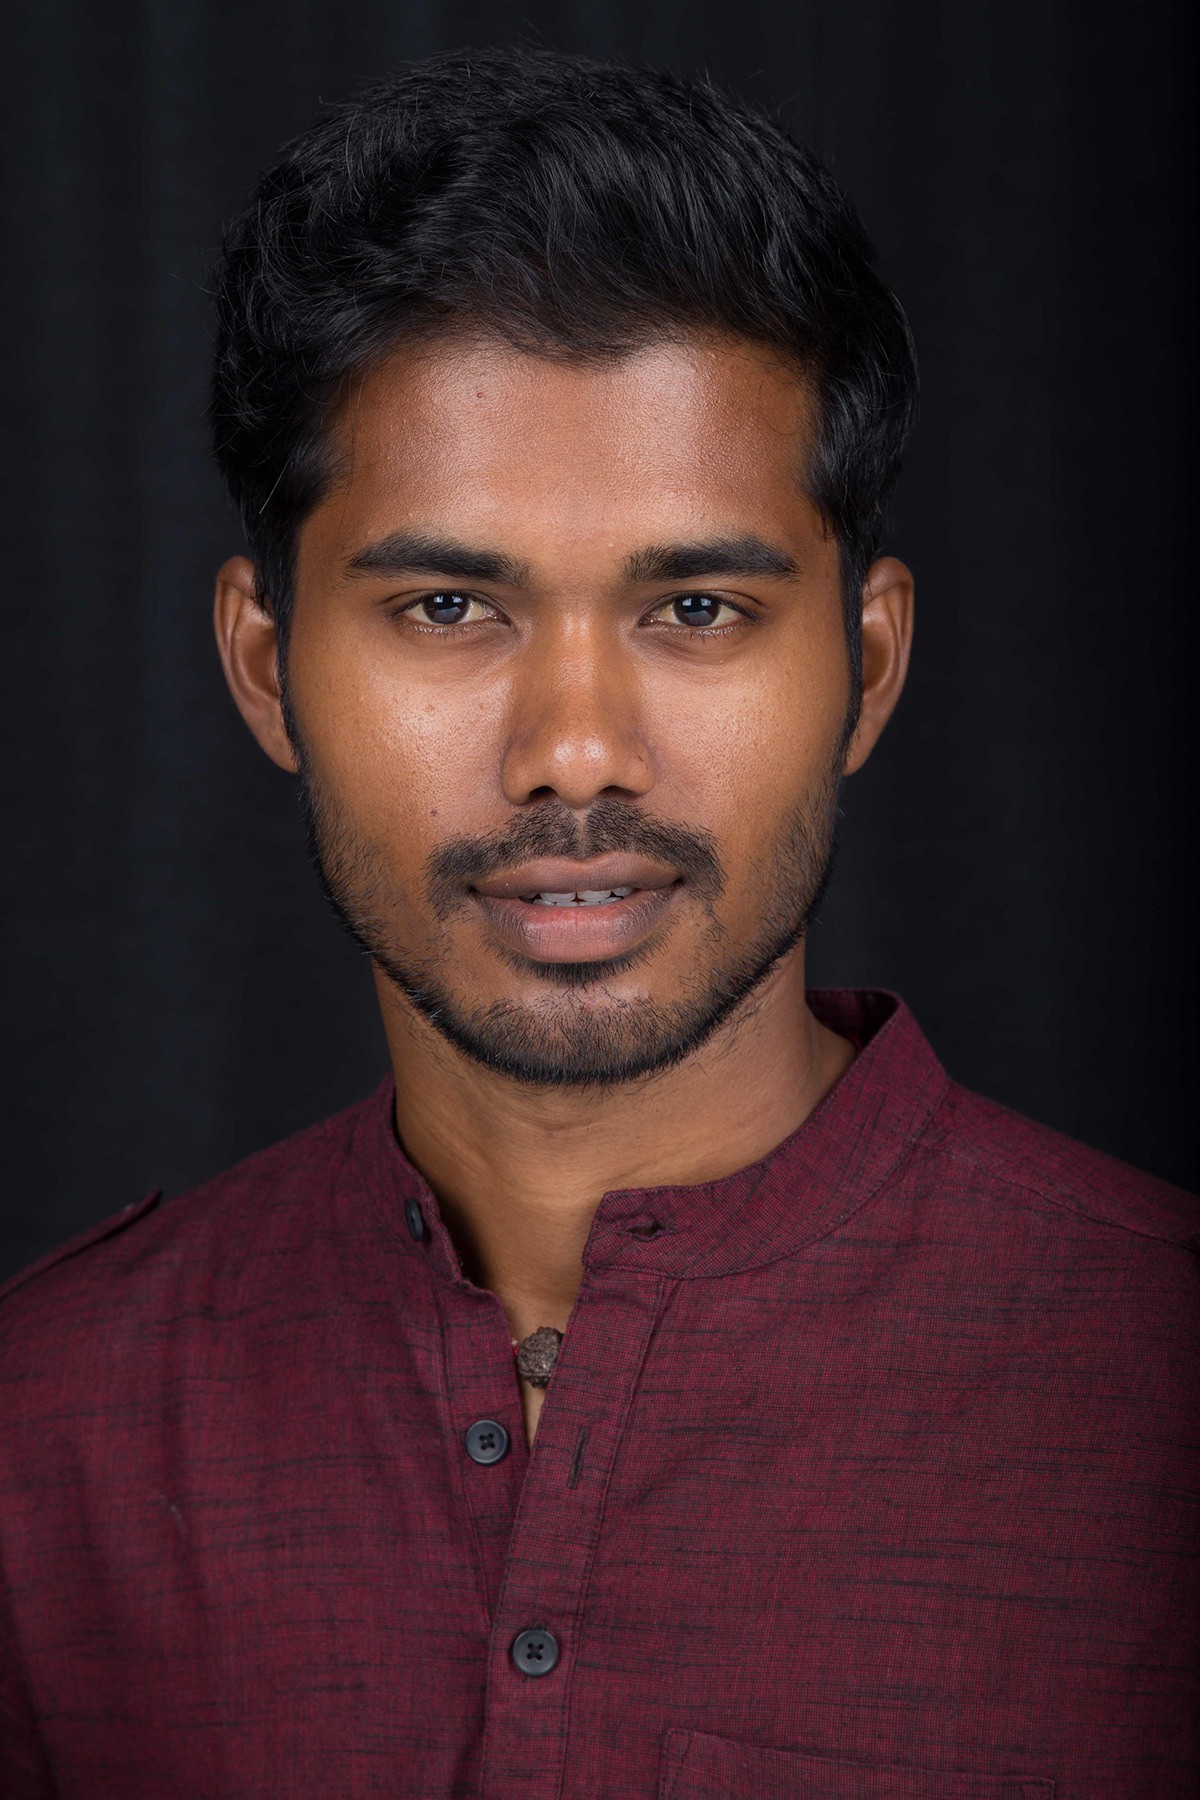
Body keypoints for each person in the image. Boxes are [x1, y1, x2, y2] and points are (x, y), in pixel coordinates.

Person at [0, 43, 1194, 1800]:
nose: (575, 750)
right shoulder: (47, 1435)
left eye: (696, 608)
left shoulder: (1158, 1394)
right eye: (447, 607)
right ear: (266, 669)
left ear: (867, 668)